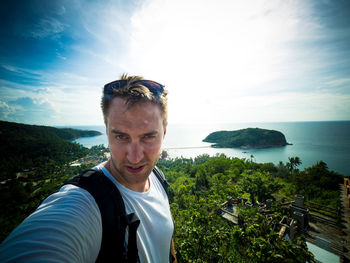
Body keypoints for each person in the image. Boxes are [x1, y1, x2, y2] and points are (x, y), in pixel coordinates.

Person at [0, 74, 176, 263]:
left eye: (148, 137)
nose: (135, 157)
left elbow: (166, 243)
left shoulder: (158, 177)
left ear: (163, 133)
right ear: (107, 132)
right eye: (121, 137)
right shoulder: (84, 203)